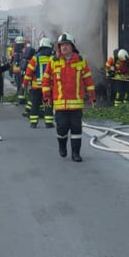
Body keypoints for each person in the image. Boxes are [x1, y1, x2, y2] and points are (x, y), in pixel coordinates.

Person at [41, 33, 96, 162]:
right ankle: (62, 146)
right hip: (60, 103)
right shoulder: (53, 62)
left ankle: (76, 153)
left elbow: (88, 80)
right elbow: (46, 80)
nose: (64, 47)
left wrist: (92, 96)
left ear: (72, 46)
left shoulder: (81, 61)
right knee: (62, 128)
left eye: (66, 44)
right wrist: (46, 97)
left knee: (76, 129)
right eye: (61, 45)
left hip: (76, 104)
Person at [22, 37, 55, 128]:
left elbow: (29, 72)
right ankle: (48, 123)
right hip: (48, 87)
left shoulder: (35, 58)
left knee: (35, 105)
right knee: (48, 104)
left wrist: (25, 83)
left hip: (36, 87)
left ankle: (33, 123)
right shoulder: (52, 59)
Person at [10, 36, 28, 105]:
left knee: (19, 85)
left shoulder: (14, 50)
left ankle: (18, 97)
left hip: (16, 70)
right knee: (22, 85)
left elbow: (12, 60)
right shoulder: (25, 50)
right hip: (22, 70)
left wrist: (10, 69)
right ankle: (21, 99)